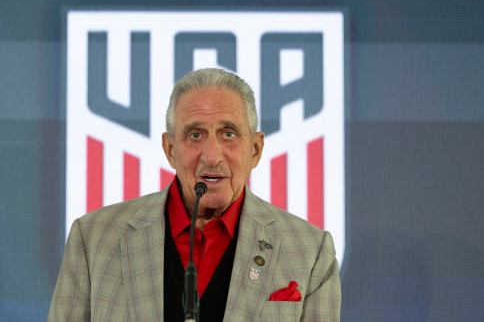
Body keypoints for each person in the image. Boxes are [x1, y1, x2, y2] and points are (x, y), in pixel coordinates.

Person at [48, 68, 341, 321]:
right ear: (170, 149)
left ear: (255, 149)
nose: (212, 156)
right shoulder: (94, 238)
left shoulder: (311, 251)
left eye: (228, 134)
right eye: (195, 135)